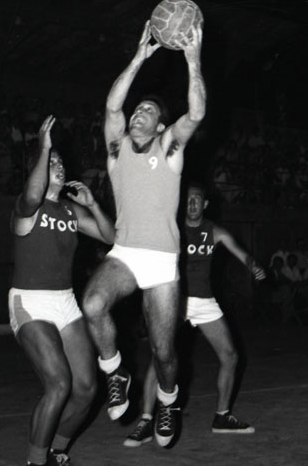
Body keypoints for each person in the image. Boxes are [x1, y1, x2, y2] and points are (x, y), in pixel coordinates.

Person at [82, 19, 206, 448]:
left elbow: (196, 114)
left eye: (149, 112)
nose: (139, 114)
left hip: (162, 262)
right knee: (93, 303)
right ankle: (115, 371)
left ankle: (168, 402)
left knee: (164, 352)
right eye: (138, 110)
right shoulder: (117, 148)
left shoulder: (169, 148)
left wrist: (193, 60)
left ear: (159, 126)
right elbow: (112, 107)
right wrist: (138, 58)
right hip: (125, 252)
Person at [124, 182, 266, 448]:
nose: (192, 204)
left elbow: (241, 253)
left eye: (197, 200)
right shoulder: (173, 228)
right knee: (160, 357)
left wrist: (253, 266)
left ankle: (222, 417)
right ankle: (145, 421)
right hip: (174, 301)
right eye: (188, 200)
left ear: (205, 204)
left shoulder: (215, 231)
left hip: (205, 301)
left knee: (231, 356)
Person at [9, 115, 115, 466]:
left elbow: (111, 237)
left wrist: (93, 204)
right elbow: (33, 193)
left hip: (65, 302)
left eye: (59, 162)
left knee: (86, 389)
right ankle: (35, 461)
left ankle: (56, 452)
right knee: (58, 384)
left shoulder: (70, 211)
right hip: (30, 302)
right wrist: (45, 147)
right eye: (51, 162)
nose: (58, 165)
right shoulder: (26, 207)